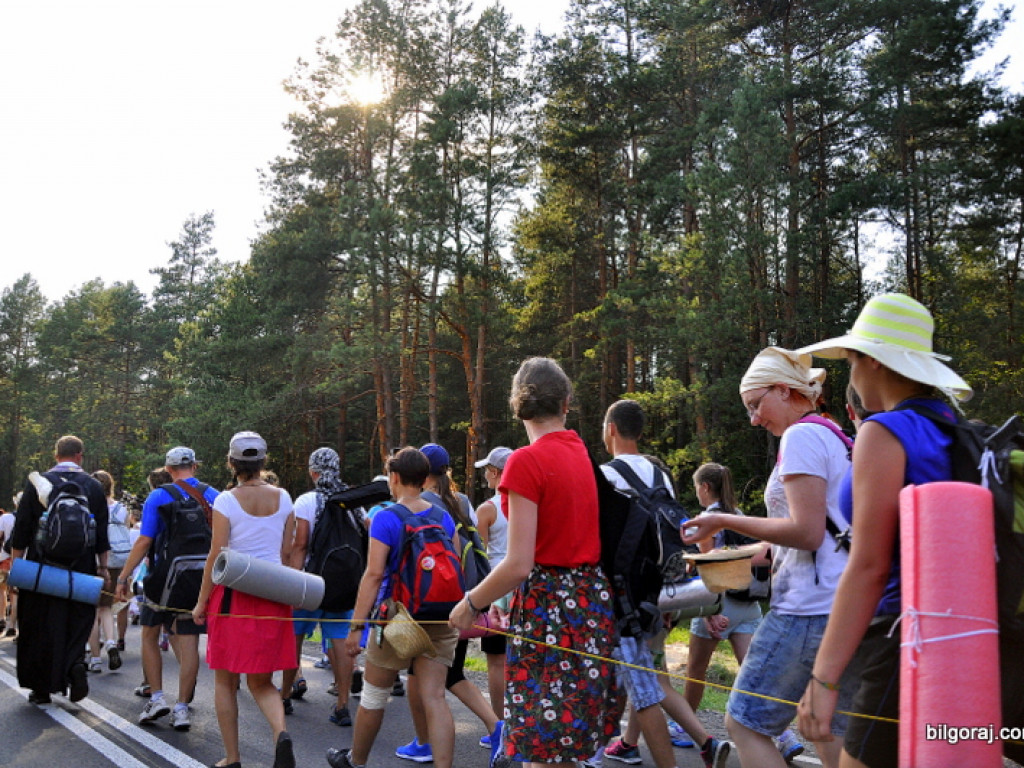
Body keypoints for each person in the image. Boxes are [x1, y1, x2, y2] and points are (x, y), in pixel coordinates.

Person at [794, 293, 972, 768]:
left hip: (904, 642)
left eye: (851, 360)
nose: (850, 375)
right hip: (967, 639)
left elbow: (869, 565)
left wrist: (824, 680)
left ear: (870, 361)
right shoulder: (953, 428)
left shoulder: (885, 432)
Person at [682, 347, 857, 768]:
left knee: (744, 724)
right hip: (842, 606)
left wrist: (725, 518)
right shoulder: (831, 432)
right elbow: (797, 539)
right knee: (831, 731)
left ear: (784, 389)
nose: (754, 419)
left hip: (804, 610)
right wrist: (721, 559)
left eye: (756, 404)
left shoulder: (800, 436)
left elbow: (807, 532)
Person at [449, 356, 622, 768]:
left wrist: (470, 602)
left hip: (550, 609)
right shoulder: (582, 452)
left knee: (540, 748)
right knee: (565, 742)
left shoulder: (527, 461)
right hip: (590, 606)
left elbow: (519, 563)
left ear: (517, 405)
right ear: (566, 402)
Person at [600, 400, 730, 768]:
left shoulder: (608, 474)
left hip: (623, 596)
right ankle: (640, 743)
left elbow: (604, 541)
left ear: (611, 428)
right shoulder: (662, 475)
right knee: (652, 675)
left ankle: (697, 741)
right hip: (660, 590)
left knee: (638, 679)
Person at [325, 447, 462, 768]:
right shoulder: (443, 516)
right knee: (436, 698)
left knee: (374, 697)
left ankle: (355, 761)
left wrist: (356, 627)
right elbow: (453, 565)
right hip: (441, 615)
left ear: (395, 477)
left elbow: (373, 576)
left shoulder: (386, 517)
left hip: (396, 619)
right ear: (425, 477)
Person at [192, 431, 297, 768]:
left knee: (225, 679)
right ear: (263, 461)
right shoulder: (284, 497)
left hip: (233, 596)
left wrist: (201, 601)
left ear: (232, 462)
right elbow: (286, 550)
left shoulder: (225, 500)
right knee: (263, 682)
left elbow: (217, 555)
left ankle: (233, 758)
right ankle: (281, 733)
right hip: (273, 593)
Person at [683, 464, 798, 761]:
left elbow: (705, 564)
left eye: (697, 486)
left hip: (719, 601)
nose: (697, 492)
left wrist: (708, 611)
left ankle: (684, 727)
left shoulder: (708, 519)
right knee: (750, 672)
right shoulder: (742, 517)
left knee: (696, 669)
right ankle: (785, 735)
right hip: (749, 605)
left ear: (705, 488)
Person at [395, 443, 500, 762]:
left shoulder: (419, 503)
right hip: (459, 596)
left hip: (426, 602)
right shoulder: (462, 500)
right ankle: (423, 740)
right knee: (434, 673)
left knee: (443, 675)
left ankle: (493, 728)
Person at [115, 446, 219, 729]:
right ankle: (182, 707)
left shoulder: (159, 496)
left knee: (149, 634)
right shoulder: (215, 495)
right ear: (195, 467)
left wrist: (123, 577)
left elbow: (145, 540)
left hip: (164, 579)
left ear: (169, 470)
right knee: (189, 643)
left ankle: (157, 697)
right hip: (201, 580)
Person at [8, 435, 110, 704]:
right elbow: (101, 534)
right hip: (83, 567)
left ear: (56, 456)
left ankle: (40, 688)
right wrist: (104, 567)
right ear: (80, 456)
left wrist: (16, 567)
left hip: (41, 568)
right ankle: (74, 663)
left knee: (38, 624)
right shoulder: (93, 486)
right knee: (77, 621)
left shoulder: (38, 484)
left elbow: (21, 531)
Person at [280, 447, 357, 726]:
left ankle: (286, 695)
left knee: (295, 639)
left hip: (311, 584)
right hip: (343, 584)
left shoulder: (306, 501)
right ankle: (342, 704)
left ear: (313, 472)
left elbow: (300, 545)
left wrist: (292, 582)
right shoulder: (352, 501)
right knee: (339, 643)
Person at [473, 446, 512, 723]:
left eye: (487, 469)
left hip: (498, 586)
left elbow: (478, 556)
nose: (485, 474)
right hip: (525, 584)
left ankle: (500, 724)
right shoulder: (531, 504)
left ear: (496, 473)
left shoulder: (487, 509)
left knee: (496, 661)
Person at [86, 470, 125, 673]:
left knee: (92, 610)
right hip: (117, 560)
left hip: (96, 560)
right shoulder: (120, 508)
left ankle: (95, 658)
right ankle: (111, 641)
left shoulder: (89, 506)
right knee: (107, 607)